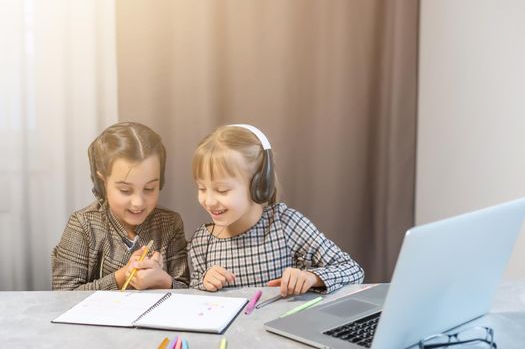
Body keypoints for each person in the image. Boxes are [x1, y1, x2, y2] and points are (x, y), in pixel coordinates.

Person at [188, 124, 364, 296]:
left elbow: (353, 269)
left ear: (259, 185)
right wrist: (204, 282)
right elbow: (192, 291)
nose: (209, 201)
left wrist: (311, 277)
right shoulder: (202, 241)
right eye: (202, 188)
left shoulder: (286, 224)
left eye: (222, 190)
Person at [52, 122, 189, 290]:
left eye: (149, 188)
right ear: (103, 181)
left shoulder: (170, 223)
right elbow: (63, 295)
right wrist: (122, 276)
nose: (138, 202)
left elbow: (185, 289)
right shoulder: (83, 225)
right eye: (125, 190)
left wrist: (164, 281)